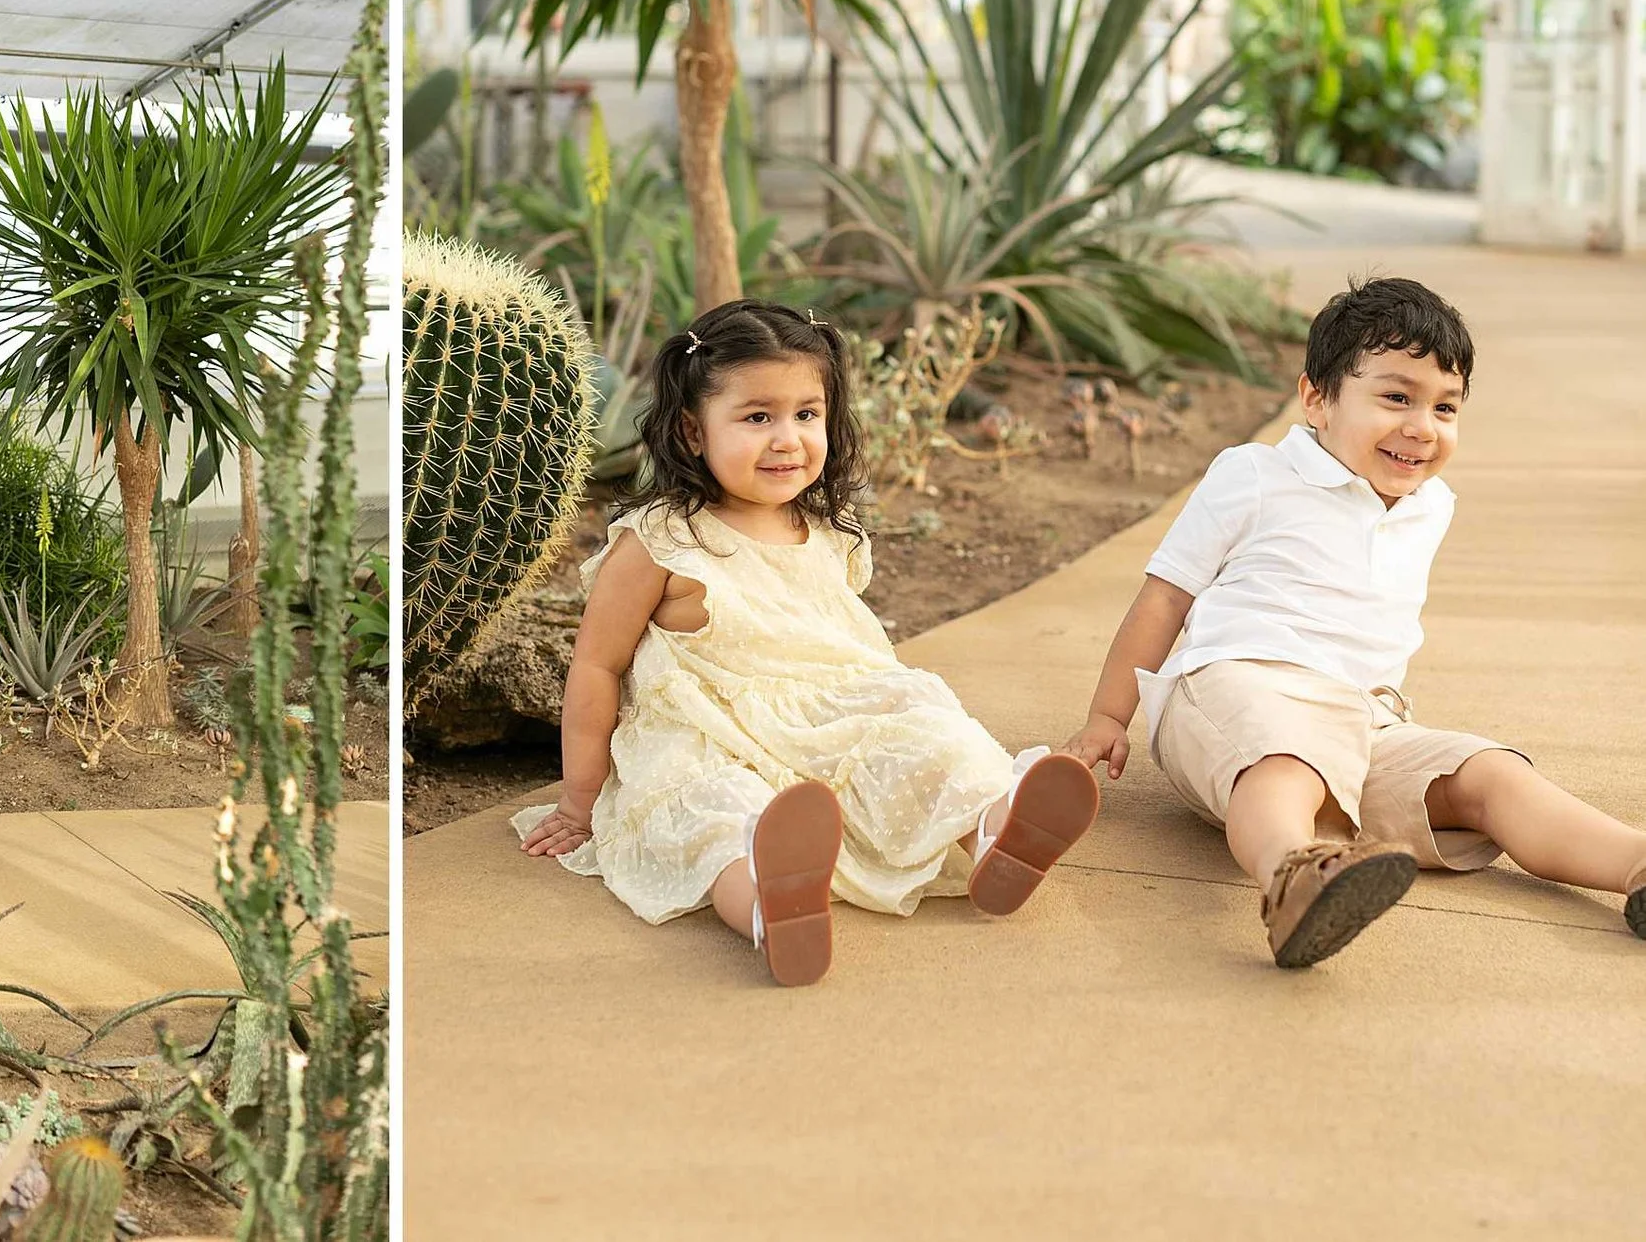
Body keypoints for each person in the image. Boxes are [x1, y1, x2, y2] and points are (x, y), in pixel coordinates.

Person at [1063, 276, 1646, 968]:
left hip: (1363, 724)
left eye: (1445, 407)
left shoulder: (1432, 505)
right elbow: (1165, 598)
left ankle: (1635, 865)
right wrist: (1108, 716)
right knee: (1289, 761)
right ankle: (1292, 879)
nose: (1421, 427)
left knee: (1492, 776)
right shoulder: (1254, 474)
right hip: (1232, 690)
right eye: (1396, 397)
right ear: (1317, 398)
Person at [515, 300, 1102, 986]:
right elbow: (596, 664)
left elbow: (831, 647)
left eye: (805, 414)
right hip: (706, 731)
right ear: (692, 430)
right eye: (757, 417)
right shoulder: (662, 540)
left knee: (929, 735)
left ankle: (998, 829)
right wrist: (579, 801)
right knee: (714, 814)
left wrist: (890, 714)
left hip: (834, 715)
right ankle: (770, 901)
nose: (787, 438)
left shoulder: (827, 527)